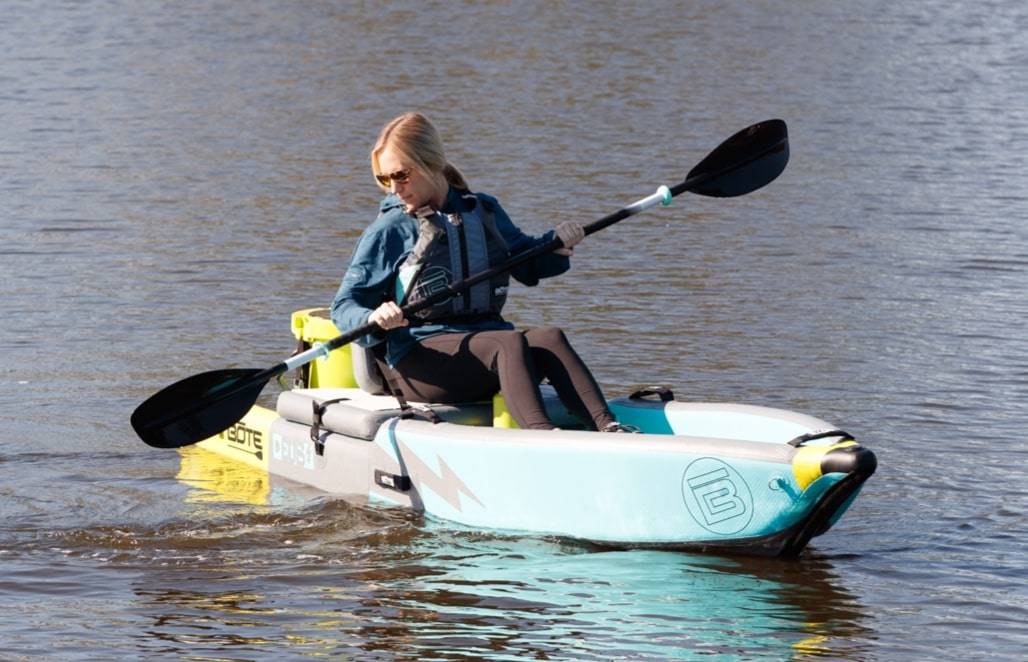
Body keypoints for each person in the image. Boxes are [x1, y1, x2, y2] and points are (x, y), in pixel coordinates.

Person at [331, 112, 633, 432]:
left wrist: (556, 245)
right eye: (384, 179)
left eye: (401, 175)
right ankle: (543, 438)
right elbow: (344, 306)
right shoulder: (389, 230)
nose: (394, 188)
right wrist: (373, 318)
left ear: (431, 162)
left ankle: (611, 430)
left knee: (549, 338)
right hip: (419, 362)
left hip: (484, 351)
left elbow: (528, 265)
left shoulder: (484, 212)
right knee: (508, 342)